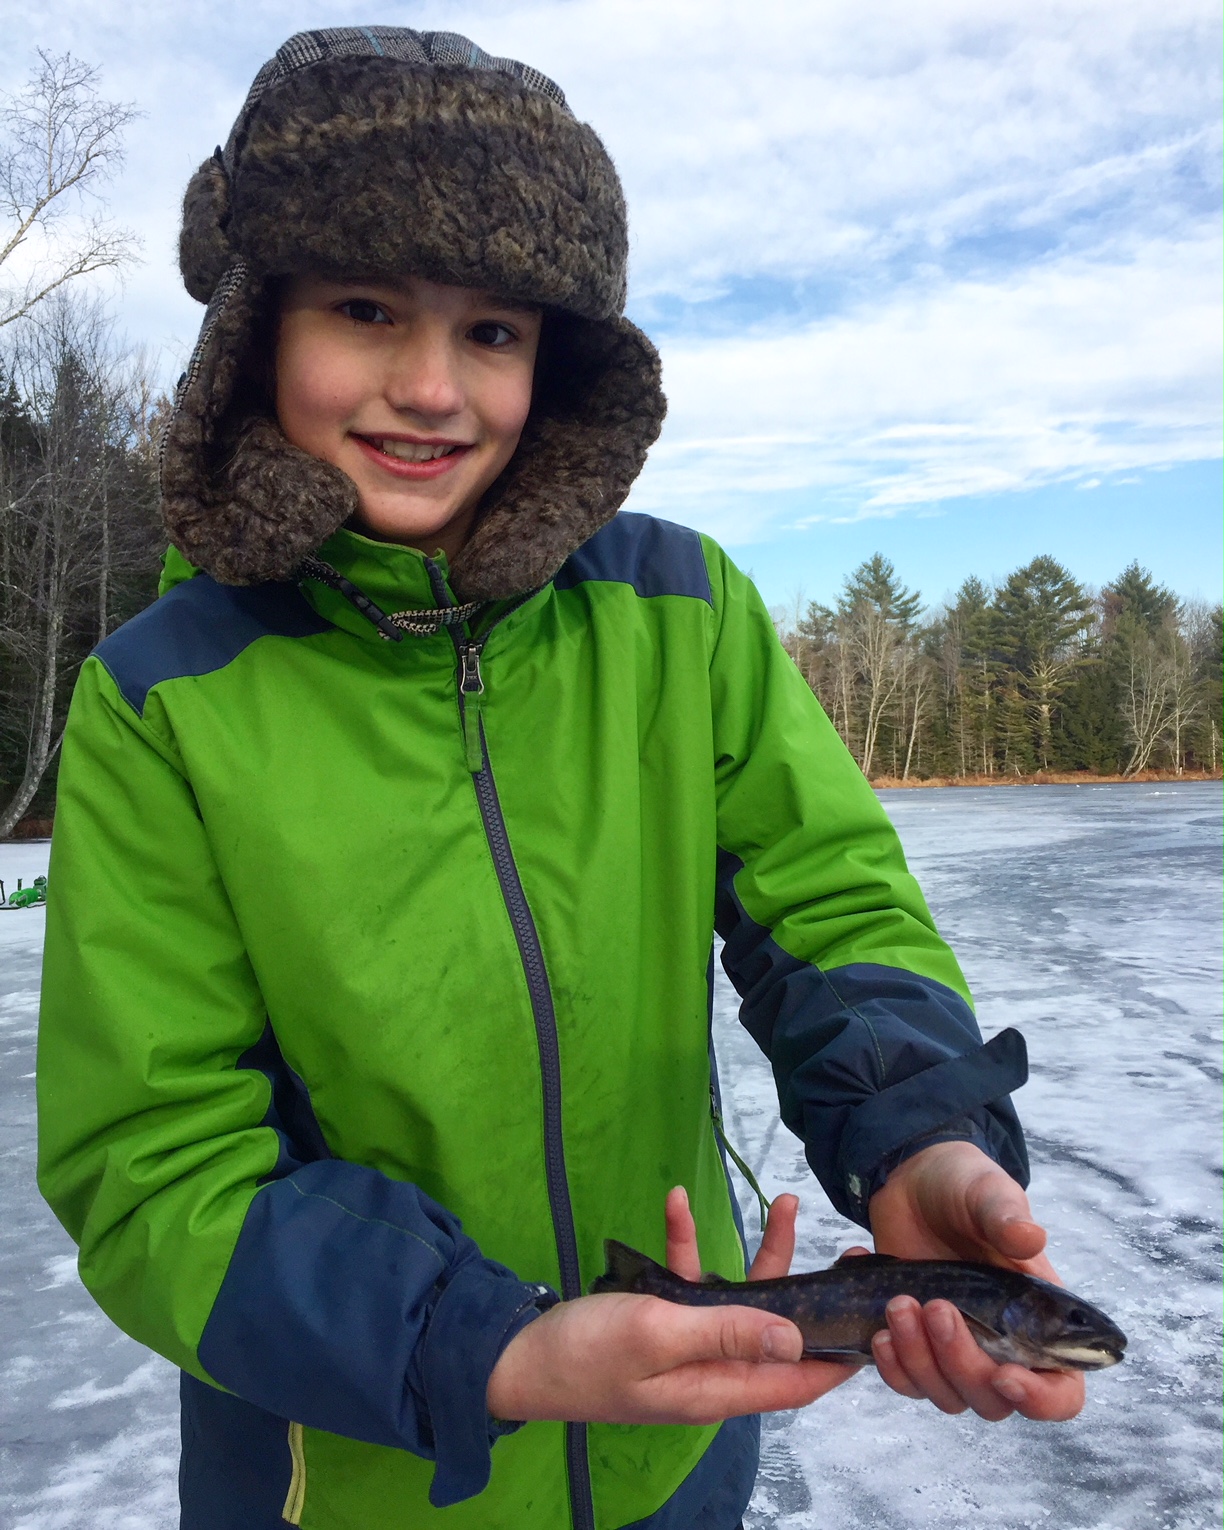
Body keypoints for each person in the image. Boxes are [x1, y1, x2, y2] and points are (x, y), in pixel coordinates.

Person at [36, 26, 1083, 1530]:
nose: (428, 386)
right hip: (345, 1475)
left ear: (559, 354)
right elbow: (155, 1162)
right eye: (363, 306)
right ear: (259, 323)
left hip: (679, 1448)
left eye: (493, 331)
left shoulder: (682, 614)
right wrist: (496, 1347)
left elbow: (829, 905)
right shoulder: (163, 696)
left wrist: (921, 1137)